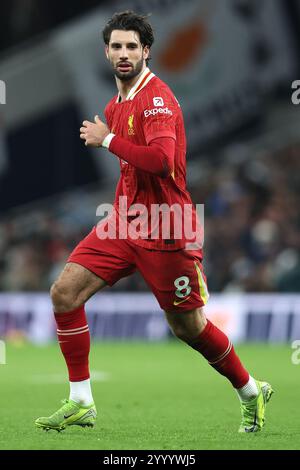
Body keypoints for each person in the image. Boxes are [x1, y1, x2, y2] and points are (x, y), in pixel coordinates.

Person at [35, 10, 273, 433]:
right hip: (124, 223)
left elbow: (162, 163)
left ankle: (251, 390)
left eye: (132, 46)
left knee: (189, 327)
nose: (124, 54)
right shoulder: (115, 103)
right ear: (106, 52)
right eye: (116, 46)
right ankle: (81, 401)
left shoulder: (156, 100)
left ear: (146, 51)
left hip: (166, 228)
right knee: (65, 292)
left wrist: (107, 139)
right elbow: (132, 172)